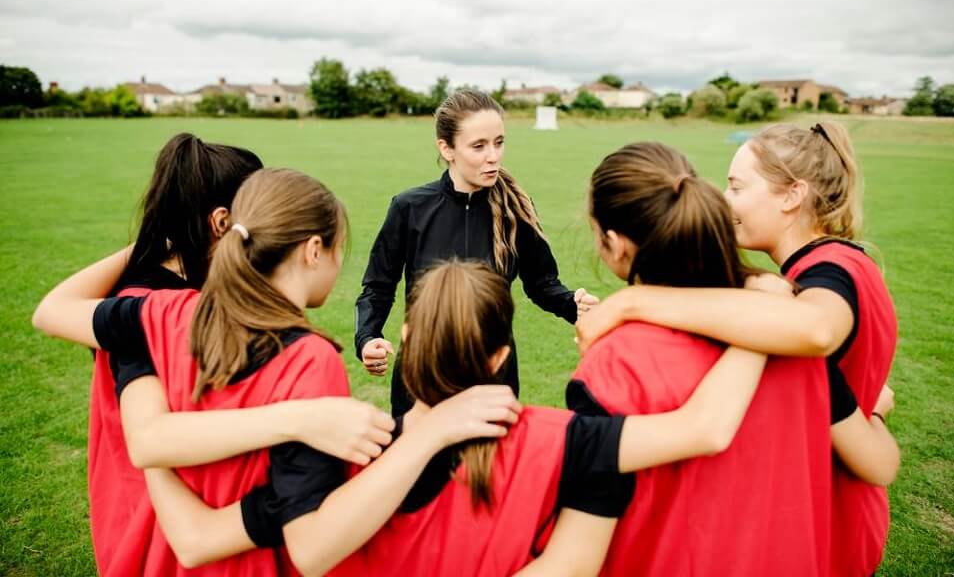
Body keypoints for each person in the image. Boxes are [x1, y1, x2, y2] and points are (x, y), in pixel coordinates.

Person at [110, 258, 772, 576]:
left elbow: (205, 539)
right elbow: (706, 427)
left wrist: (147, 419)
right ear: (503, 353)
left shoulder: (342, 444)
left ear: (406, 335)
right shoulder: (568, 442)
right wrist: (762, 320)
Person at [33, 168, 520, 576]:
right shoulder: (310, 362)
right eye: (336, 249)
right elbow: (310, 547)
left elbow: (57, 314)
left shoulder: (158, 312)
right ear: (313, 250)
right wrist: (419, 434)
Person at [576, 130, 899, 576]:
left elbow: (816, 329)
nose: (723, 201)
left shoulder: (815, 291)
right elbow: (878, 457)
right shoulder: (793, 295)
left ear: (793, 195)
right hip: (798, 528)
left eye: (736, 186)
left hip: (824, 516)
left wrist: (634, 302)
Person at [355, 88, 598, 415]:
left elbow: (542, 285)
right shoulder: (409, 208)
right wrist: (368, 337)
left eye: (499, 142)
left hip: (494, 379)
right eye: (479, 146)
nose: (493, 156)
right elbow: (378, 287)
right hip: (421, 383)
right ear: (447, 148)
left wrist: (574, 306)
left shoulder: (516, 212)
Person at [84, 132, 262, 575]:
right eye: (261, 211)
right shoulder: (148, 303)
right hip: (158, 520)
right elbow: (148, 439)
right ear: (221, 222)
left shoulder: (194, 284)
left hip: (187, 510)